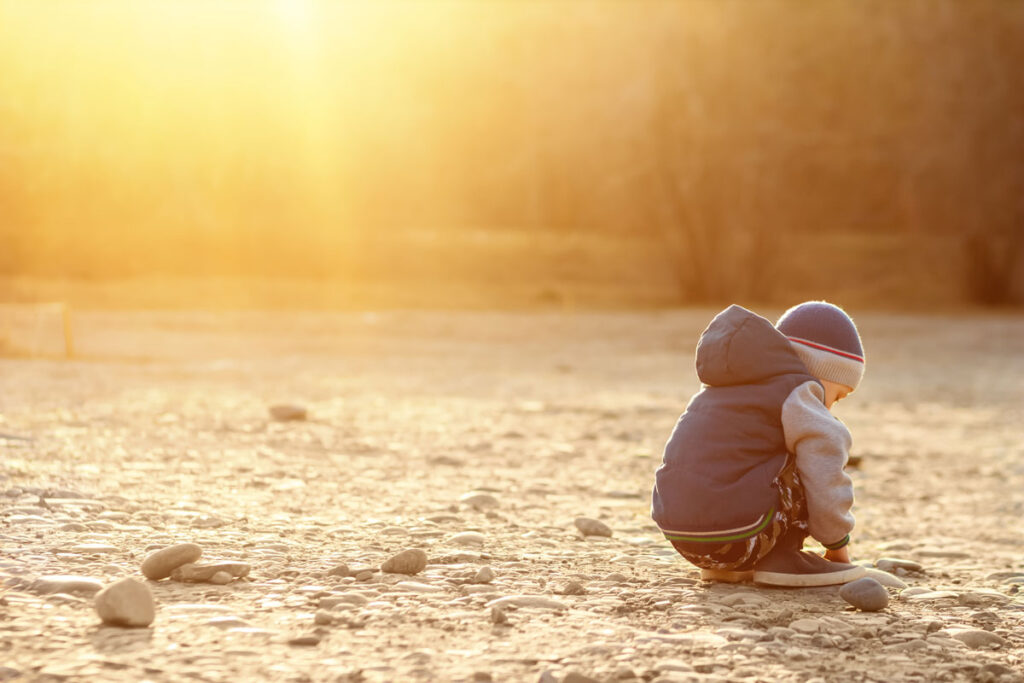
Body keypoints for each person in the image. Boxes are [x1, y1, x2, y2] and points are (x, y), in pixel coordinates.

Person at [651, 302, 868, 587]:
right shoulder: (798, 391)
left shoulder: (717, 391)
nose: (831, 407)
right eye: (837, 396)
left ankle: (731, 567)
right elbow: (825, 474)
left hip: (686, 539)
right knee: (814, 451)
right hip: (745, 534)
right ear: (814, 369)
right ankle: (784, 558)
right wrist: (837, 548)